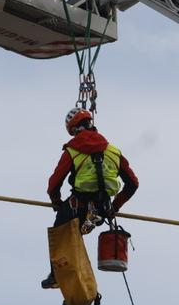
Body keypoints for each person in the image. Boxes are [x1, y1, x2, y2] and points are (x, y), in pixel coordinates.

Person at [42, 108, 139, 289]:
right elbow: (133, 183)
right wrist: (114, 207)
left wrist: (56, 202)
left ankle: (57, 275)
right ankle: (80, 279)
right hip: (101, 209)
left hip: (76, 207)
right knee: (78, 234)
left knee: (61, 235)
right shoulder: (114, 151)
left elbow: (53, 184)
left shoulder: (72, 151)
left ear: (73, 130)